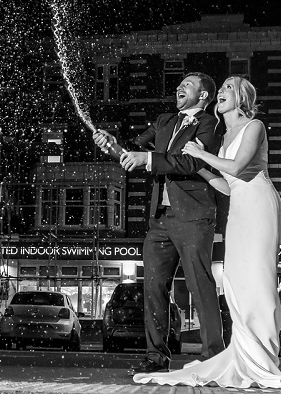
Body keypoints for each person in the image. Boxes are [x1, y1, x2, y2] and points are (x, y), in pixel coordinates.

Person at [134, 75, 281, 389]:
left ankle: (265, 358)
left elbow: (237, 168)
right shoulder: (226, 133)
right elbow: (225, 185)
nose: (223, 91)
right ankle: (244, 354)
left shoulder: (254, 126)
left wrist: (199, 155)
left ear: (243, 97)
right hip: (239, 208)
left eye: (229, 87)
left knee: (258, 280)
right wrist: (199, 161)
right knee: (234, 280)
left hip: (260, 205)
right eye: (223, 88)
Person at [93, 72, 225, 375]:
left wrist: (149, 160)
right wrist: (112, 146)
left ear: (203, 96)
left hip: (194, 216)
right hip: (160, 219)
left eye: (188, 85)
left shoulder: (209, 124)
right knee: (153, 288)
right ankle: (156, 357)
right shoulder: (164, 121)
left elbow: (195, 163)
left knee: (199, 284)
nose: (180, 87)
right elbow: (132, 152)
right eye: (180, 84)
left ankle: (214, 357)